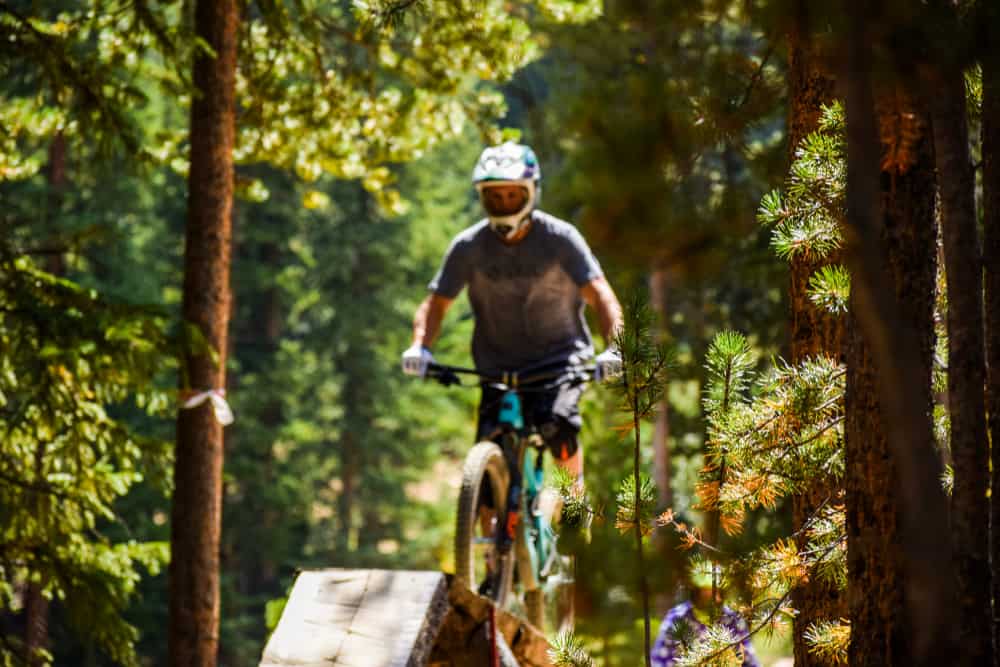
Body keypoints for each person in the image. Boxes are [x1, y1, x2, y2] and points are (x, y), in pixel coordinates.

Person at [401, 140, 623, 486]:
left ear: (531, 193)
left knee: (558, 426)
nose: (504, 204)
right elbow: (436, 304)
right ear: (482, 197)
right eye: (495, 196)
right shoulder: (468, 247)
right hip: (496, 367)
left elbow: (601, 296)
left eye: (512, 195)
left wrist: (615, 347)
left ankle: (575, 506)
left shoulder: (561, 239)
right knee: (487, 471)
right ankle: (492, 538)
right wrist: (420, 346)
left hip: (559, 361)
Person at [650, 561, 761, 667]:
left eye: (715, 592)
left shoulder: (733, 620)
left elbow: (749, 661)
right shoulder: (678, 618)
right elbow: (659, 660)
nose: (712, 599)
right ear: (695, 593)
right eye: (704, 594)